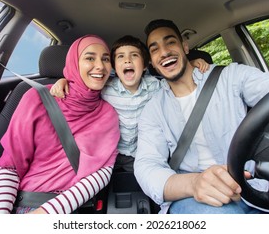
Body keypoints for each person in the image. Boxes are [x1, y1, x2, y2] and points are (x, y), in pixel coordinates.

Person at [133, 19, 269, 214]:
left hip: (254, 187)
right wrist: (194, 183)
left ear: (184, 46)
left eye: (170, 42)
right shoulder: (153, 109)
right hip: (196, 197)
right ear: (152, 63)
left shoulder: (231, 77)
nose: (164, 52)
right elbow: (147, 165)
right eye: (155, 49)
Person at [0, 35, 120, 214]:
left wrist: (43, 215)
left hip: (62, 209)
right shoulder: (35, 98)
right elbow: (11, 164)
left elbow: (100, 174)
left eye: (106, 59)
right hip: (9, 200)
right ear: (74, 62)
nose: (100, 66)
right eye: (90, 58)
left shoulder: (108, 113)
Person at [50, 35, 210, 172]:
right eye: (120, 56)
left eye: (134, 55)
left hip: (142, 154)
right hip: (112, 154)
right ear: (113, 67)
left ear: (146, 65)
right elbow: (85, 86)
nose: (127, 60)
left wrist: (191, 64)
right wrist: (64, 81)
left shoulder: (155, 86)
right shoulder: (106, 87)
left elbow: (177, 81)